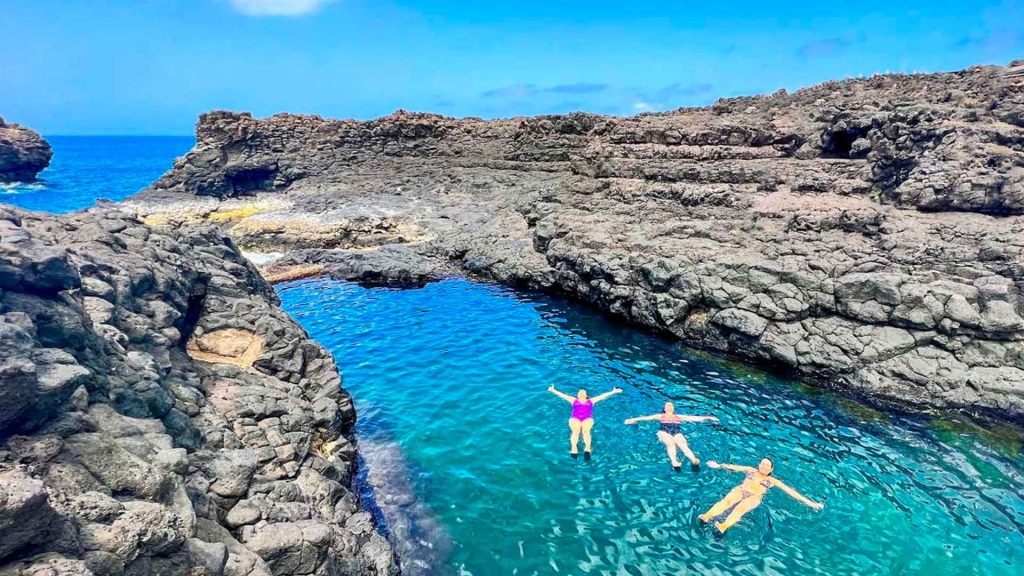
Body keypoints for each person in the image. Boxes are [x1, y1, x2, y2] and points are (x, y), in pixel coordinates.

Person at [698, 457, 824, 533]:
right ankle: (707, 516)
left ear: (771, 470)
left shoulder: (772, 481)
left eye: (767, 465)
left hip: (754, 497)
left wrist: (811, 503)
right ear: (759, 465)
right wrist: (718, 465)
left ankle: (724, 526)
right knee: (725, 502)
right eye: (762, 464)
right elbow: (733, 467)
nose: (764, 466)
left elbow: (791, 492)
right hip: (741, 490)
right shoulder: (750, 470)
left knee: (739, 509)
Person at [624, 402, 718, 469]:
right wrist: (633, 419)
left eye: (671, 405)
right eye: (667, 405)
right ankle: (674, 461)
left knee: (682, 444)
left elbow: (693, 418)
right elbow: (646, 418)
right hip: (663, 432)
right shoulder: (660, 416)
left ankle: (693, 460)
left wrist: (708, 418)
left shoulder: (678, 417)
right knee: (670, 443)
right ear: (664, 409)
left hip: (676, 432)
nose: (669, 406)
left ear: (673, 409)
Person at [547, 385, 623, 459]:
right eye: (580, 392)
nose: (581, 392)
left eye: (583, 392)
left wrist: (613, 391)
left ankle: (587, 448)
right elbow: (562, 395)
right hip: (575, 418)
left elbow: (602, 396)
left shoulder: (591, 401)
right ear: (577, 395)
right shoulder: (573, 400)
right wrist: (553, 390)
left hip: (587, 419)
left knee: (586, 432)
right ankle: (574, 448)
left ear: (586, 395)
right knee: (575, 431)